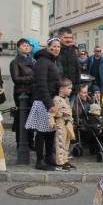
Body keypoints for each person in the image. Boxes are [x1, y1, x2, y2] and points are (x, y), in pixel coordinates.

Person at [26, 38, 63, 171]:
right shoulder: (42, 61)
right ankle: (40, 160)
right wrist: (49, 104)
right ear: (48, 47)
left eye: (58, 46)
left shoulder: (55, 60)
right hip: (43, 101)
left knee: (51, 131)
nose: (56, 49)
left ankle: (49, 156)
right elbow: (41, 84)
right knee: (42, 131)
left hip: (53, 100)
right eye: (53, 46)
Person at [10, 38, 36, 150]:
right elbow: (16, 78)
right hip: (21, 93)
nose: (26, 47)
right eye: (23, 45)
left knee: (31, 118)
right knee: (21, 119)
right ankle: (20, 142)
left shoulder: (33, 61)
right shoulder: (15, 62)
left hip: (32, 92)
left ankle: (30, 142)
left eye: (28, 45)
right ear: (18, 48)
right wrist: (32, 78)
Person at [51, 78, 76, 172]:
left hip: (68, 124)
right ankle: (60, 163)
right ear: (61, 89)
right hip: (61, 124)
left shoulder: (67, 100)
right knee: (60, 143)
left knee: (66, 143)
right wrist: (53, 124)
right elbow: (52, 114)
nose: (71, 90)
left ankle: (65, 160)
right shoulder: (56, 100)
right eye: (69, 88)